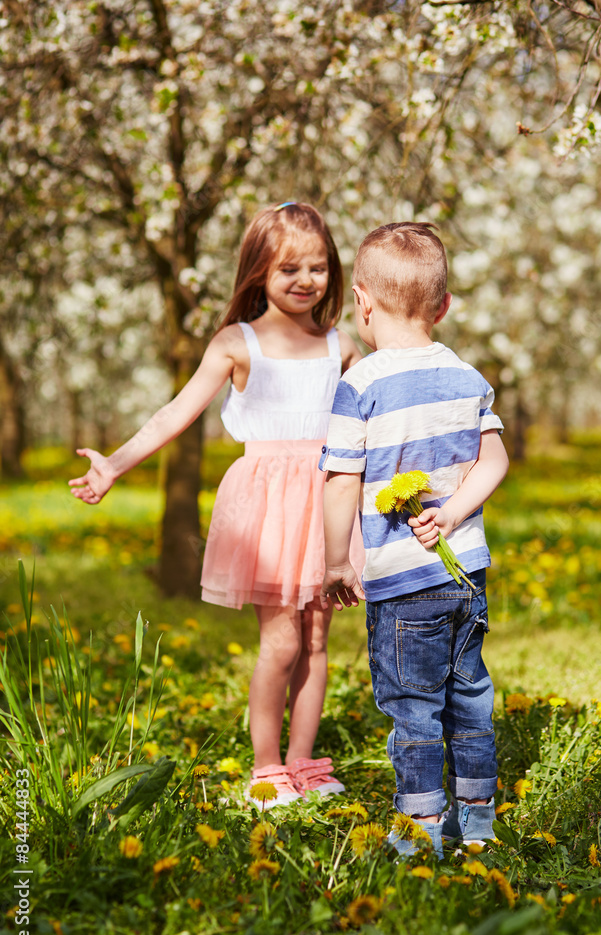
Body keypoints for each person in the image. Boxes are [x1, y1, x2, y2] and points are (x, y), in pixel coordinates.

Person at [69, 202, 364, 808]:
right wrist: (116, 464)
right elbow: (176, 412)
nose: (306, 280)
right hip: (269, 506)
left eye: (317, 267)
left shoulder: (343, 346)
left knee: (315, 640)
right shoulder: (238, 342)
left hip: (327, 502)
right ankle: (267, 766)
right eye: (289, 269)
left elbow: (371, 427)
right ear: (258, 271)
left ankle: (305, 760)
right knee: (280, 642)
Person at [318, 222, 509, 855]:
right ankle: (478, 822)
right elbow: (495, 462)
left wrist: (338, 561)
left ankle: (422, 831)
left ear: (362, 302)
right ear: (444, 305)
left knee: (413, 708)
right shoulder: (467, 376)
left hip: (400, 583)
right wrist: (452, 513)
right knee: (470, 697)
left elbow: (343, 482)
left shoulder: (361, 385)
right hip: (465, 575)